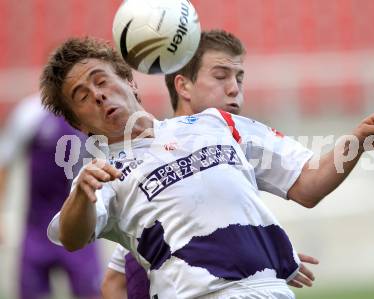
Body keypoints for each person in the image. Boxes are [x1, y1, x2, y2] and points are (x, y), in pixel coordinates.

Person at [42, 37, 374, 299]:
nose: (99, 94)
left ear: (130, 81)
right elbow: (73, 237)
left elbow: (308, 183)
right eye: (82, 96)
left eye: (101, 80)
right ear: (81, 125)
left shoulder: (216, 123)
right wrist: (82, 193)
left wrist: (358, 141)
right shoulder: (100, 175)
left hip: (271, 290)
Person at [101, 29, 319, 299]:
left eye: (239, 78)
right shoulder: (150, 162)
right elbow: (116, 280)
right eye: (220, 77)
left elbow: (309, 186)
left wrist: (253, 257)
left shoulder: (227, 150)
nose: (234, 88)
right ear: (183, 86)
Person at [0, 94, 102, 299]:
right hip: (37, 229)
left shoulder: (92, 111)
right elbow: (5, 161)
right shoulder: (31, 112)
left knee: (91, 294)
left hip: (81, 226)